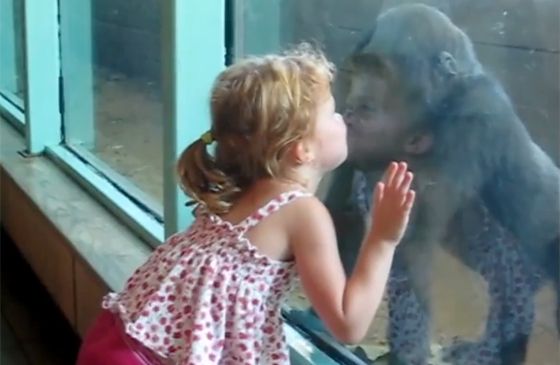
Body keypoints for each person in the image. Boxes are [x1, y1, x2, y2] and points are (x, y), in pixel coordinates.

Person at [75, 44, 416, 365]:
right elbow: (348, 324)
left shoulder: (236, 195)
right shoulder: (302, 212)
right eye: (332, 114)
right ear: (302, 150)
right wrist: (383, 238)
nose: (344, 119)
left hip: (115, 341)